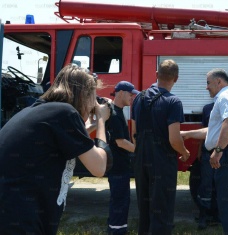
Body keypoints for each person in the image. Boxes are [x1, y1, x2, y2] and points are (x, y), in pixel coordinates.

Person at [0, 63, 112, 235]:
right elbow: (99, 167)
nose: (93, 105)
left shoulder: (40, 110)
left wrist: (92, 124)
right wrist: (102, 120)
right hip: (21, 218)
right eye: (93, 98)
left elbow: (68, 139)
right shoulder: (65, 112)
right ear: (83, 95)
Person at [181, 68, 228, 235]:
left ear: (219, 82)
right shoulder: (226, 97)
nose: (206, 87)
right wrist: (187, 134)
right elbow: (215, 131)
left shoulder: (226, 96)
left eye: (208, 83)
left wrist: (219, 150)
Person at [131, 59, 190, 235]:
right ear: (176, 79)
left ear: (156, 75)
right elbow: (174, 139)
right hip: (162, 161)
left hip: (141, 158)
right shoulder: (173, 102)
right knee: (162, 207)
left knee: (145, 206)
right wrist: (185, 152)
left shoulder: (138, 99)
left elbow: (134, 133)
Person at [106, 81, 139, 235]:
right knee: (120, 201)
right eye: (130, 94)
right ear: (120, 93)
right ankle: (116, 231)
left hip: (120, 166)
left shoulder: (117, 111)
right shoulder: (114, 114)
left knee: (121, 200)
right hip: (118, 167)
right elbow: (121, 142)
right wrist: (141, 151)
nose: (132, 97)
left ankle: (117, 228)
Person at [194, 102, 219, 230]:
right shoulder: (207, 108)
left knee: (220, 184)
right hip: (206, 153)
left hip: (222, 153)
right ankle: (203, 216)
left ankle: (217, 215)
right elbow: (203, 130)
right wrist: (199, 150)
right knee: (206, 185)